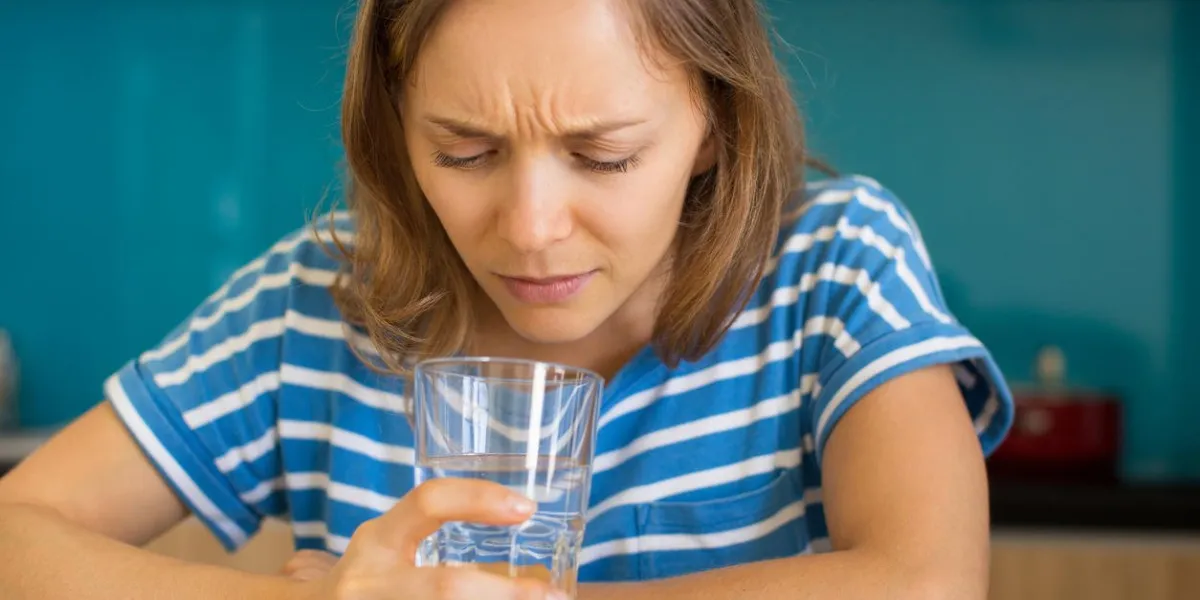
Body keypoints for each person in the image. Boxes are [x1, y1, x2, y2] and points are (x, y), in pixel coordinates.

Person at [0, 0, 1014, 598]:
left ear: (714, 120)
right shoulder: (312, 306)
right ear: (395, 127)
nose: (530, 226)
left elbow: (924, 580)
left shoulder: (832, 264)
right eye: (466, 151)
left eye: (604, 155)